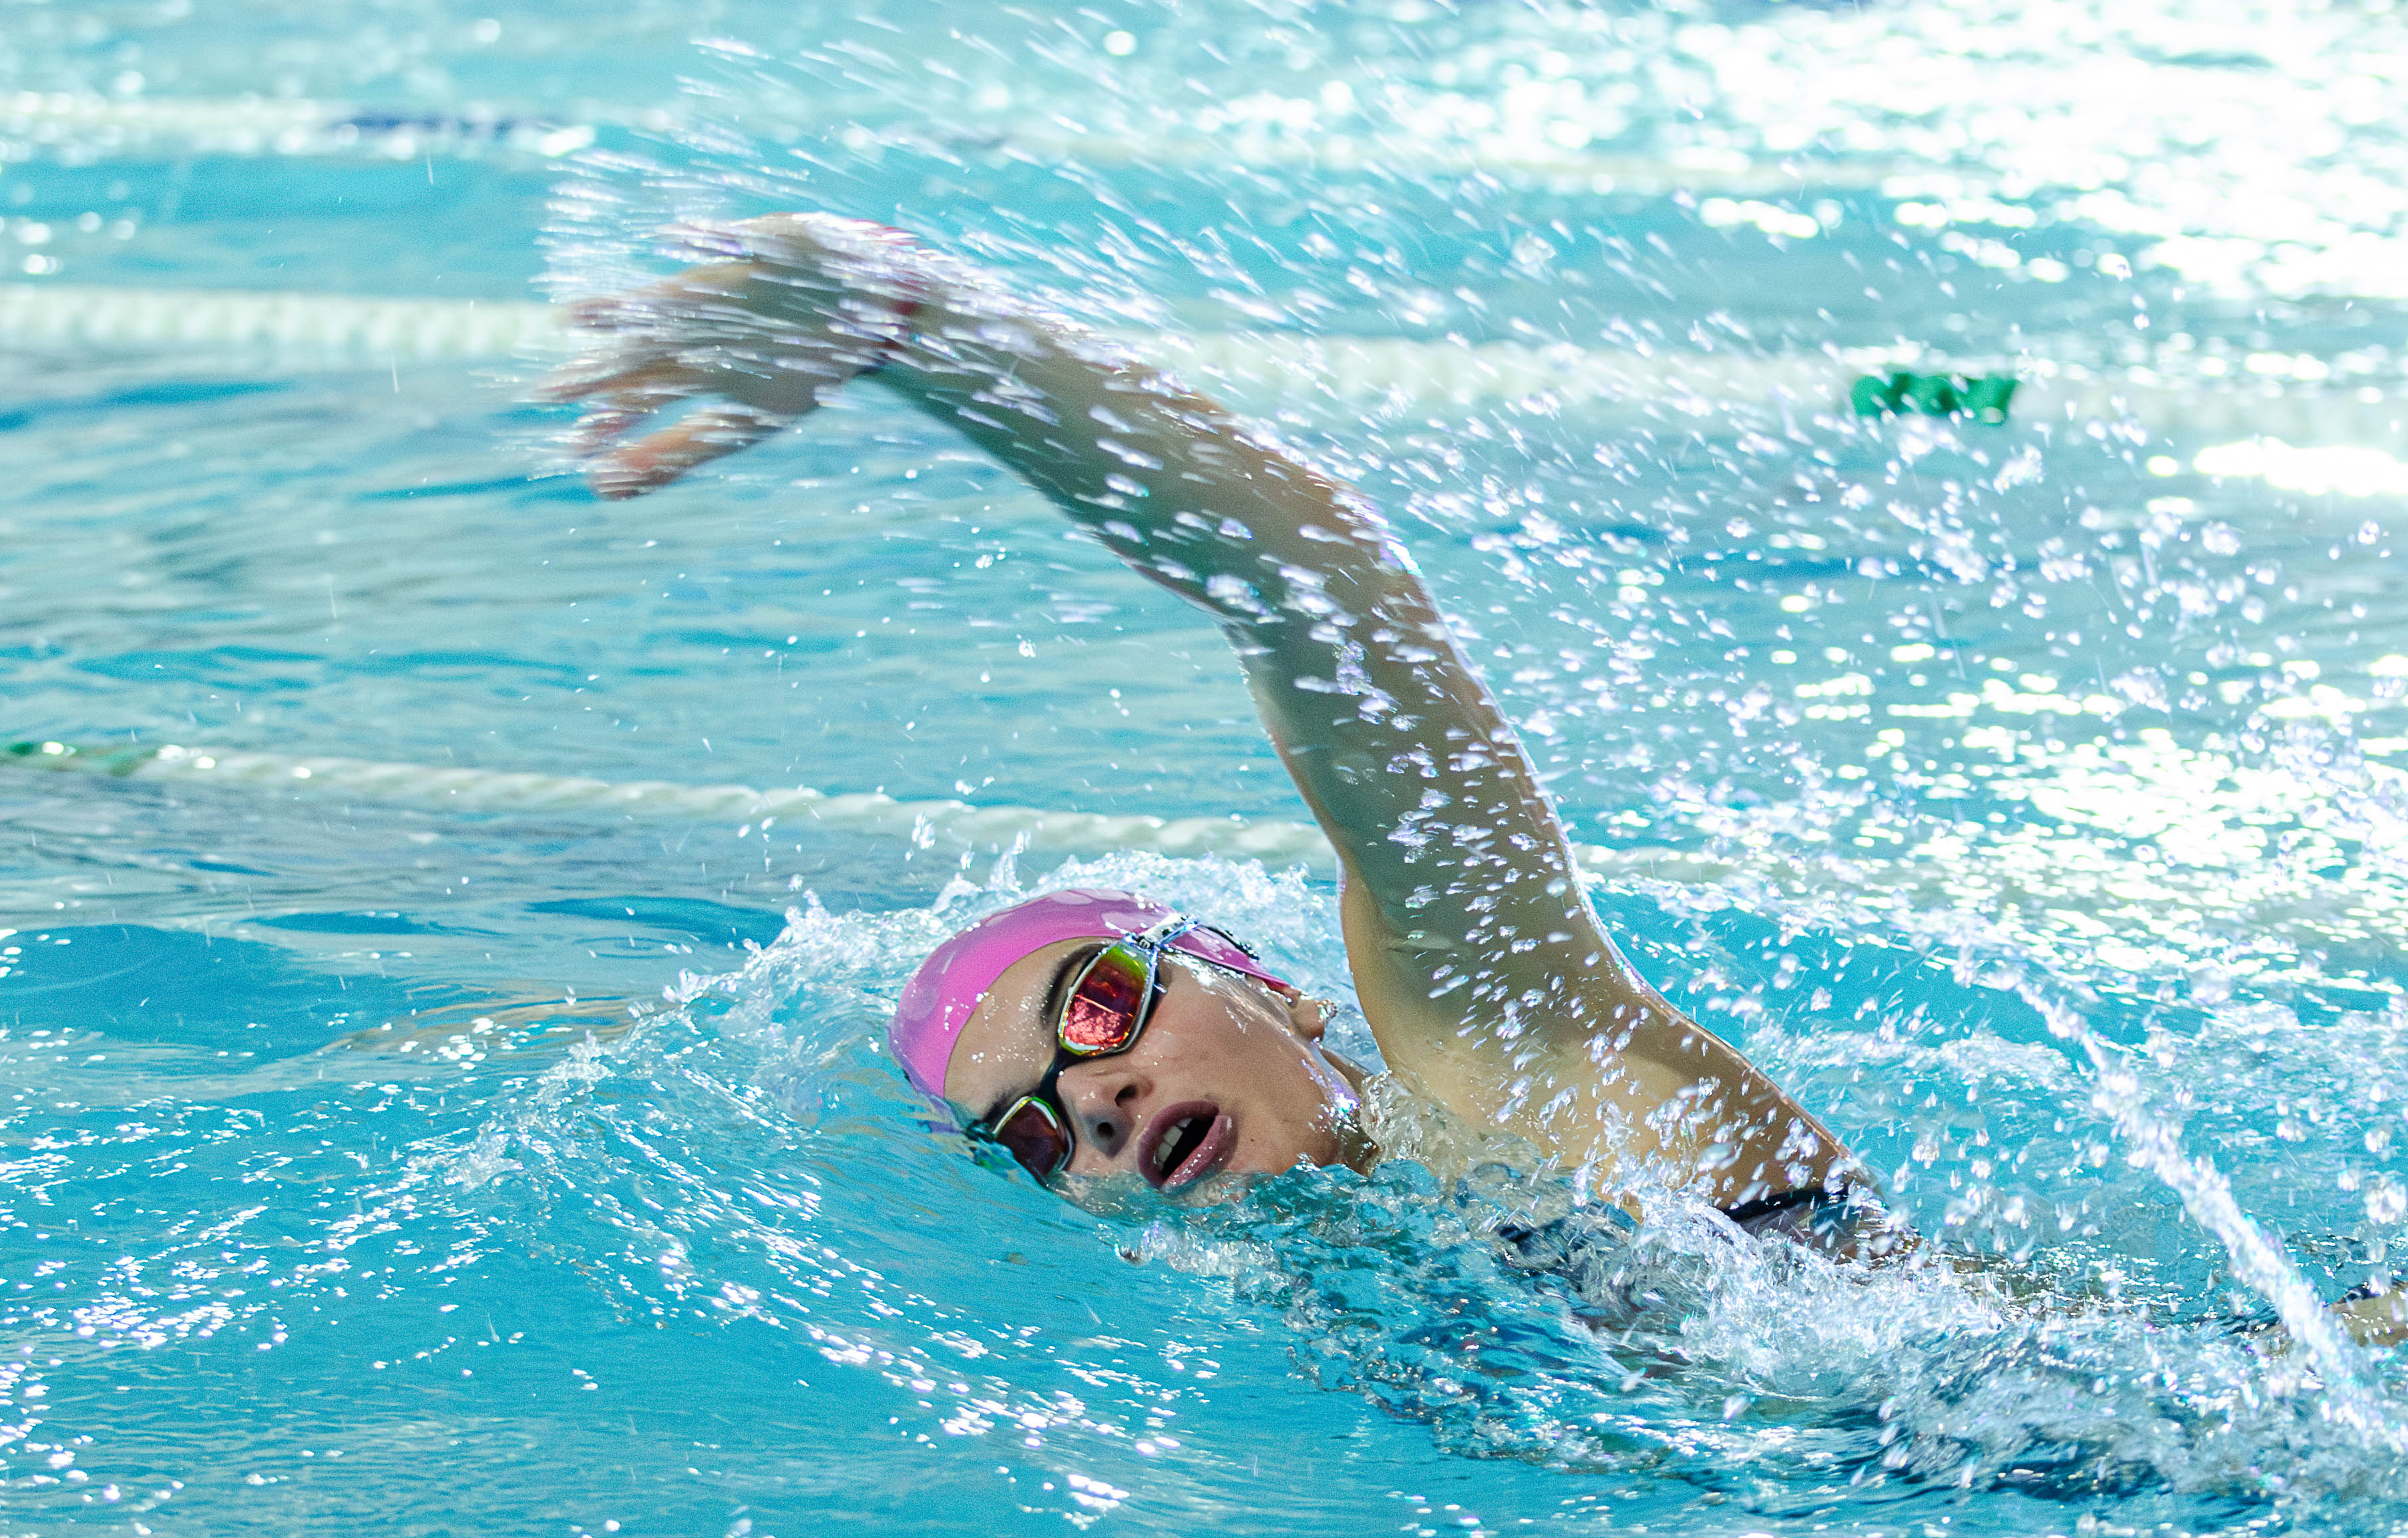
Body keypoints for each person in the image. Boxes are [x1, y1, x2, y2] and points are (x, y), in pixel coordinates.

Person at [549, 212, 1892, 1252]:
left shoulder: (1516, 1070)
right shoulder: (1339, 1309)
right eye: (1033, 1139)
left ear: (1274, 991)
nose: (1093, 1106)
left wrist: (917, 322)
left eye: (1099, 1008)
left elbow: (1311, 578)